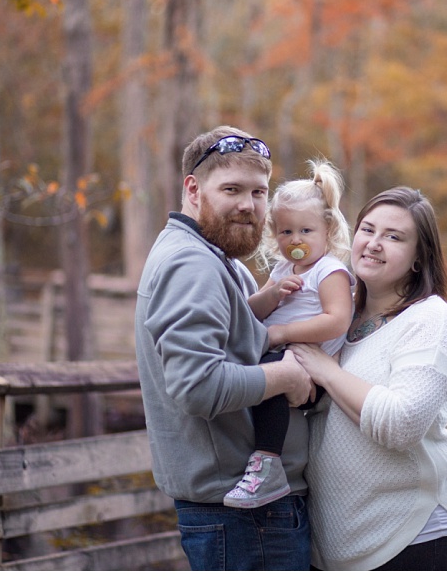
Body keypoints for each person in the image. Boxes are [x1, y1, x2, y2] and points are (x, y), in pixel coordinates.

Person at [134, 125, 314, 571]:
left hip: (244, 513)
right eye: (231, 189)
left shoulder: (211, 256)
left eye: (258, 192)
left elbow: (230, 340)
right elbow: (198, 386)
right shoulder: (192, 263)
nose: (248, 205)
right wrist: (287, 376)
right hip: (243, 516)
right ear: (193, 189)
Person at [291, 186, 447, 571]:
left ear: (418, 258)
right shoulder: (338, 316)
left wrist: (326, 369)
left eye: (394, 237)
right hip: (340, 543)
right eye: (368, 230)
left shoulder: (430, 319)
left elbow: (402, 423)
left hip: (416, 537)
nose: (374, 244)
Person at [225, 159, 355, 509]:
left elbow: (337, 320)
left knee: (270, 377)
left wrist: (282, 332)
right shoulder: (283, 269)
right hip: (279, 354)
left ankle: (267, 464)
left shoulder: (330, 271)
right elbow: (250, 313)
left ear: (327, 230)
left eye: (306, 231)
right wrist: (272, 293)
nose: (295, 240)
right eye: (286, 232)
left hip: (311, 370)